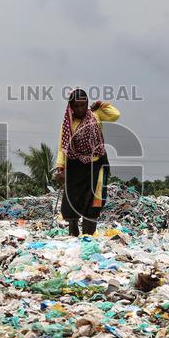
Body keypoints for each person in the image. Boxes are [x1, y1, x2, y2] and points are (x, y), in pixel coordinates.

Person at [53, 89, 120, 236]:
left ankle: (89, 236)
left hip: (96, 163)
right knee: (72, 199)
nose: (80, 109)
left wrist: (102, 105)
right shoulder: (68, 124)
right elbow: (62, 147)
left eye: (83, 105)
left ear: (87, 104)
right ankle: (73, 233)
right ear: (71, 106)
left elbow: (115, 115)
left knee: (95, 199)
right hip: (75, 165)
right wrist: (60, 168)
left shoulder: (95, 115)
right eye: (76, 106)